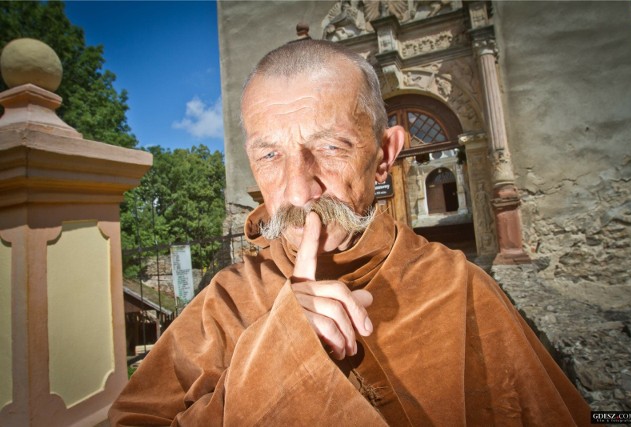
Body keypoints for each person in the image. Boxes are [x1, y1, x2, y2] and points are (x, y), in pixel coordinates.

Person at [109, 39, 590, 426]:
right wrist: (276, 357)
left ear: (383, 156)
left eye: (332, 146)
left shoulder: (457, 287)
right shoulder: (226, 301)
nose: (299, 191)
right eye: (270, 155)